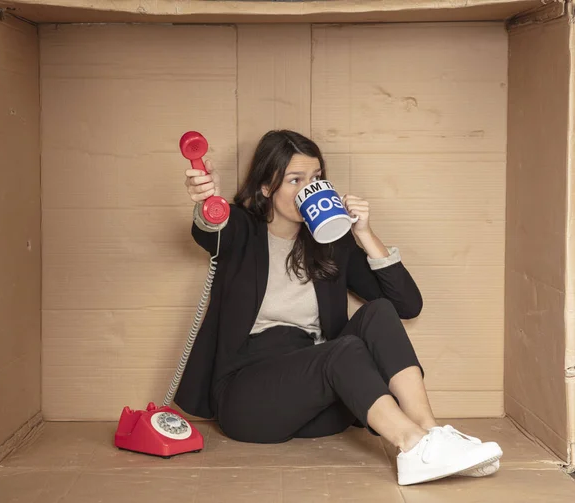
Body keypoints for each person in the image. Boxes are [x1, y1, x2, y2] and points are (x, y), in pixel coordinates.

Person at [176, 129, 502, 486]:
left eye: (315, 179)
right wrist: (207, 201)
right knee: (344, 351)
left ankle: (432, 434)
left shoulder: (329, 242)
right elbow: (210, 227)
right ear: (266, 187)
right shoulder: (241, 229)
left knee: (378, 312)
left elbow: (406, 305)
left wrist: (363, 232)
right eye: (295, 180)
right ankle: (412, 446)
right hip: (250, 400)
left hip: (321, 401)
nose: (307, 189)